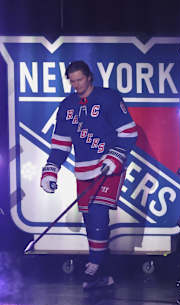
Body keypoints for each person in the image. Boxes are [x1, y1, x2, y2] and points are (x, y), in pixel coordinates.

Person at [40, 60, 138, 290]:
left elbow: (129, 132)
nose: (76, 85)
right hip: (84, 170)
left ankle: (94, 265)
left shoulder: (108, 98)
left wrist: (115, 157)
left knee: (96, 214)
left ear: (89, 77)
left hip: (109, 167)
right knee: (91, 221)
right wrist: (51, 168)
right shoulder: (66, 106)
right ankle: (107, 272)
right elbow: (61, 144)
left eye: (79, 80)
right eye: (72, 81)